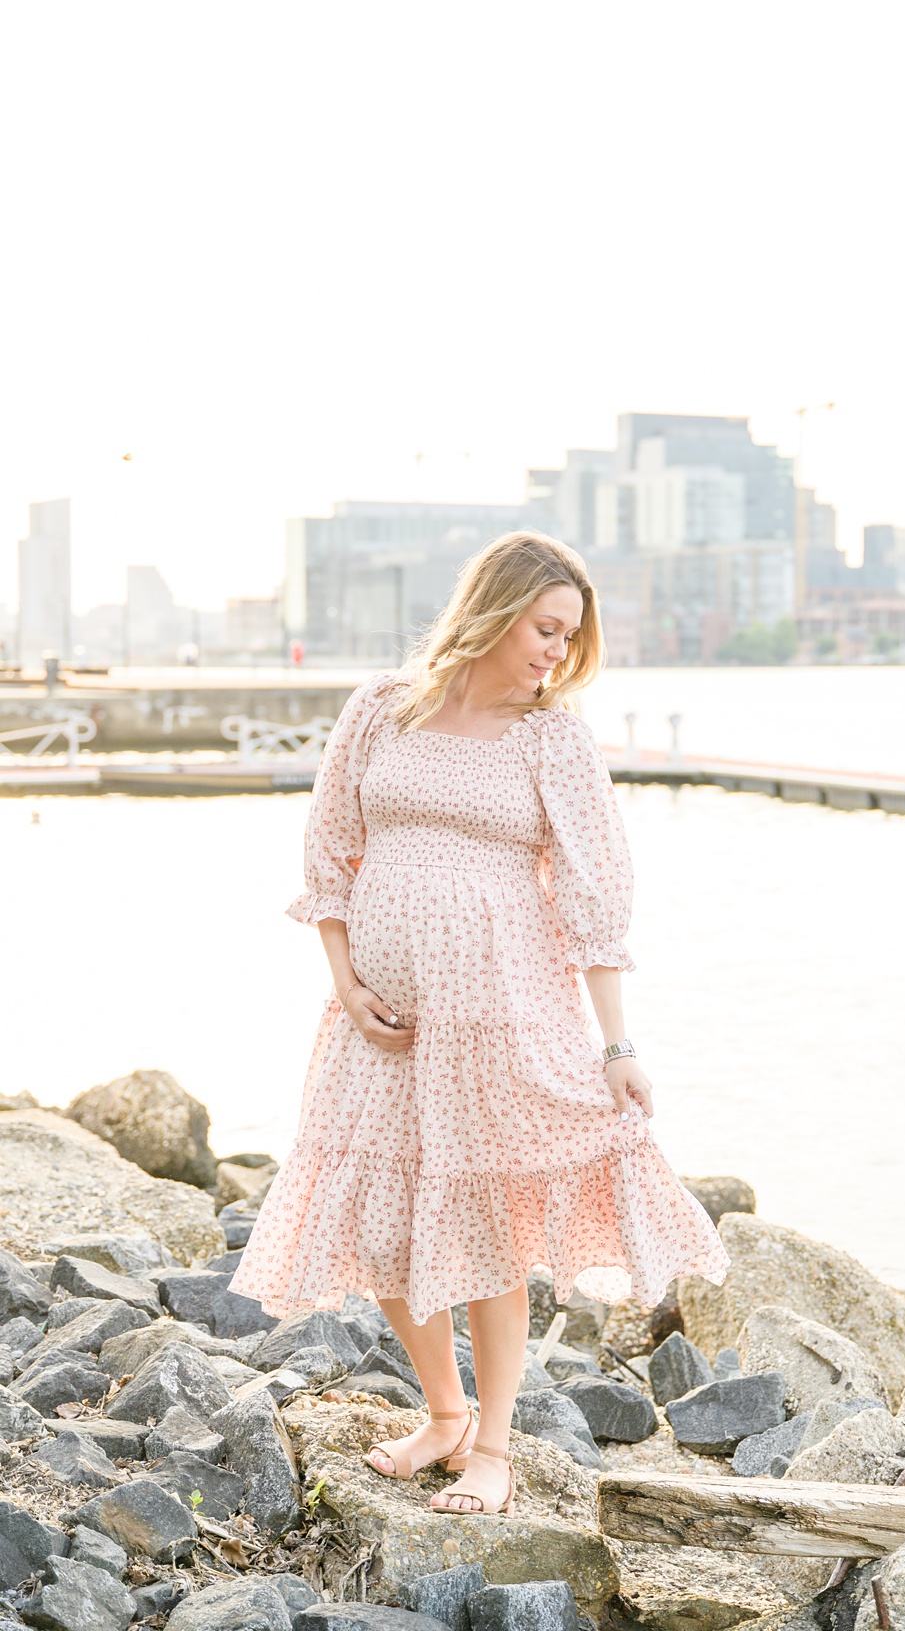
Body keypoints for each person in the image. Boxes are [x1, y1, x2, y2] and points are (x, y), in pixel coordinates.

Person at [230, 532, 728, 1518]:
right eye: (546, 628)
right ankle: (445, 1414)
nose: (555, 650)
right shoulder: (382, 708)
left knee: (487, 1227)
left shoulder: (552, 738)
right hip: (379, 1023)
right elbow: (330, 854)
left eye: (569, 637)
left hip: (502, 1018)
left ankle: (494, 1447)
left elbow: (594, 900)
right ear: (495, 610)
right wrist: (349, 982)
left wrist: (617, 1044)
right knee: (380, 1220)